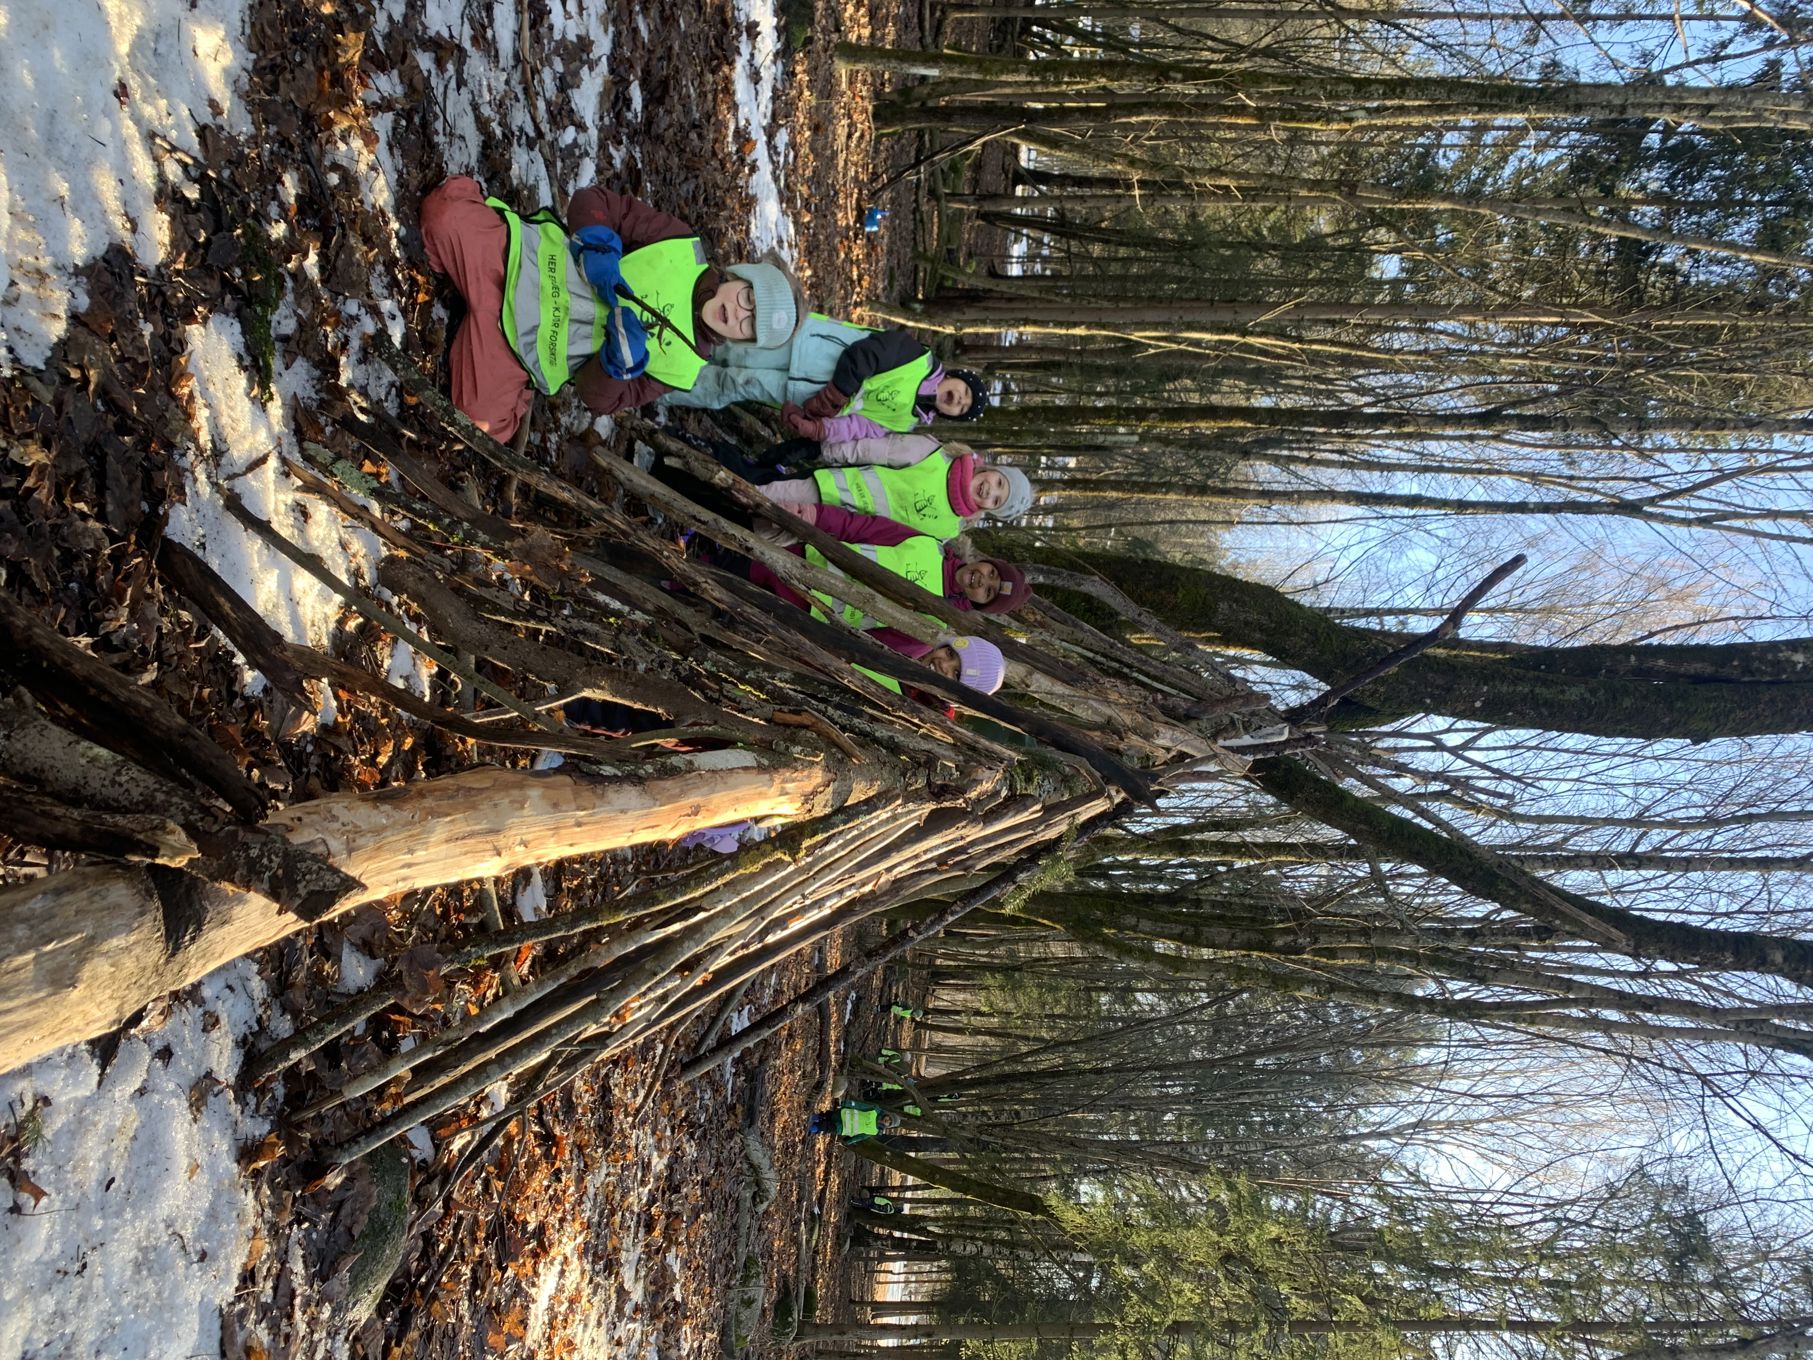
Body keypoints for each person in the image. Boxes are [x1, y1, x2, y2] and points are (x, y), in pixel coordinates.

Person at [418, 176, 803, 442]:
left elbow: (599, 400)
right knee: (441, 212)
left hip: (518, 348)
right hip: (518, 261)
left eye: (749, 326)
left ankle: (512, 393)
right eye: (748, 297)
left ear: (743, 340)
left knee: (477, 426)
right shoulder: (680, 245)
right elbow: (594, 201)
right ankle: (467, 249)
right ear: (739, 277)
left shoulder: (683, 369)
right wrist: (597, 239)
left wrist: (616, 367)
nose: (737, 313)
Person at [660, 312, 988, 435]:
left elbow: (860, 427)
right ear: (955, 378)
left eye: (961, 408)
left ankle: (658, 384)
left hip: (803, 396)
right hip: (807, 348)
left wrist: (819, 428)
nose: (957, 400)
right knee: (733, 348)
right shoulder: (916, 357)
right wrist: (837, 394)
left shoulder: (906, 421)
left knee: (732, 385)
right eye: (964, 392)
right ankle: (665, 337)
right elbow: (866, 354)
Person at [751, 503, 1030, 619]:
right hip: (799, 558)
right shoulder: (929, 545)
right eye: (992, 572)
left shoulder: (933, 621)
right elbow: (864, 527)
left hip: (800, 611)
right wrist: (815, 515)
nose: (983, 579)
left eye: (989, 591)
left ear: (981, 604)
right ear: (986, 561)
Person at [754, 442, 1035, 541]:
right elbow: (876, 449)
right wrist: (824, 450)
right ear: (993, 470)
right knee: (756, 497)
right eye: (999, 482)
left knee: (761, 530)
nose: (990, 491)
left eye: (996, 500)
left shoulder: (947, 530)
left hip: (830, 533)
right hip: (825, 491)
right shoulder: (937, 456)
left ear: (989, 509)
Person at [808, 1101, 900, 1143]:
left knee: (827, 1127)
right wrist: (849, 1104)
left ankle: (812, 1128)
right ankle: (815, 1117)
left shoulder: (875, 1131)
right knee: (829, 1115)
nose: (887, 1121)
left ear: (888, 1126)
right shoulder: (875, 1110)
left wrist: (851, 1140)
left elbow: (862, 1136)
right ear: (888, 1114)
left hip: (845, 1128)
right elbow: (861, 1106)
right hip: (845, 1115)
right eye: (889, 1118)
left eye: (889, 1123)